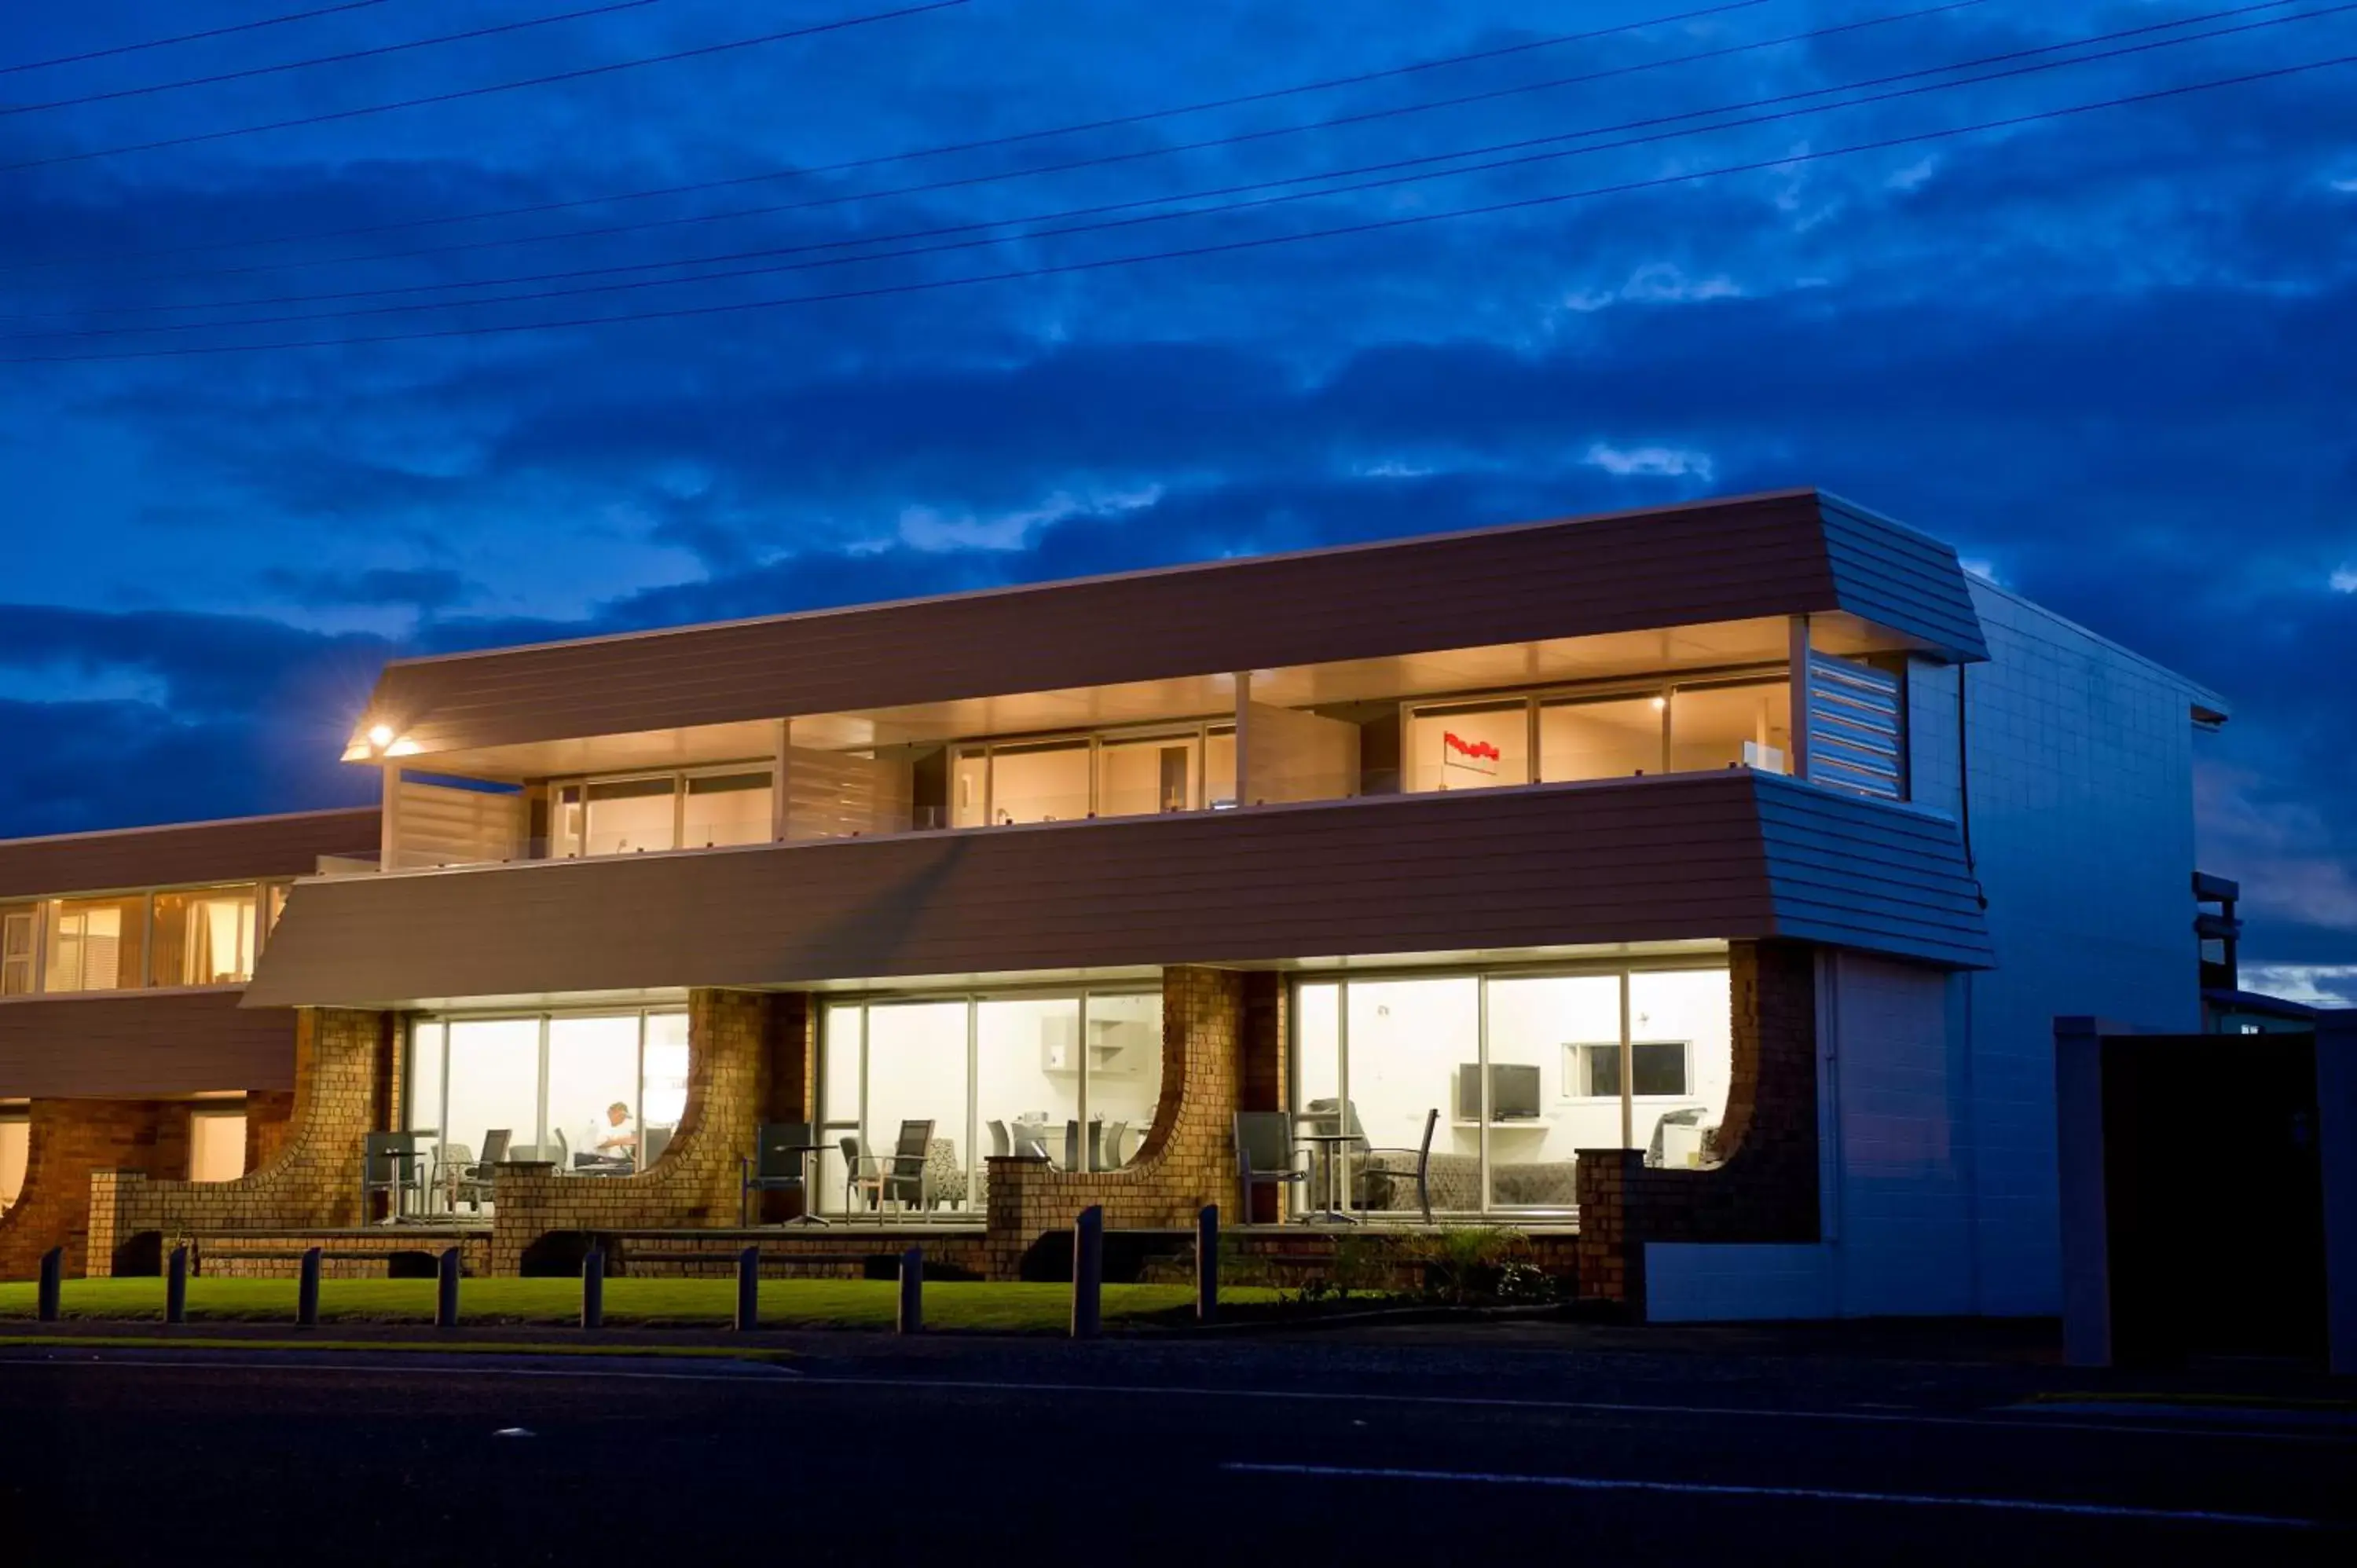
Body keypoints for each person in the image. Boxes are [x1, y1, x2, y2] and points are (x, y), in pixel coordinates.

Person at [583, 1101, 637, 1166]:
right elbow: (600, 1143)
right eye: (621, 1116)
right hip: (591, 1160)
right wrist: (622, 1141)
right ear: (613, 1113)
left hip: (605, 1160)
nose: (623, 1120)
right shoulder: (600, 1123)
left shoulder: (613, 1127)